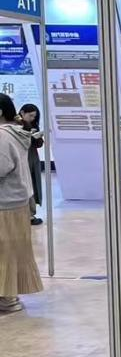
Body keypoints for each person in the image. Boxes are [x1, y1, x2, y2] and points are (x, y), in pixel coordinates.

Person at [0, 93, 43, 315]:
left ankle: (8, 299)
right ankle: (9, 296)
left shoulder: (2, 136)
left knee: (5, 252)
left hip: (4, 204)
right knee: (11, 251)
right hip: (16, 202)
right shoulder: (15, 133)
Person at [17, 104, 44, 225]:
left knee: (33, 183)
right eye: (30, 115)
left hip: (32, 156)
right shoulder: (16, 125)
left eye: (34, 116)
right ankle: (26, 214)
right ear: (22, 113)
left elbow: (39, 144)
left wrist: (37, 137)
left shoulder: (33, 125)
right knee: (24, 184)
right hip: (21, 156)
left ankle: (31, 213)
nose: (32, 118)